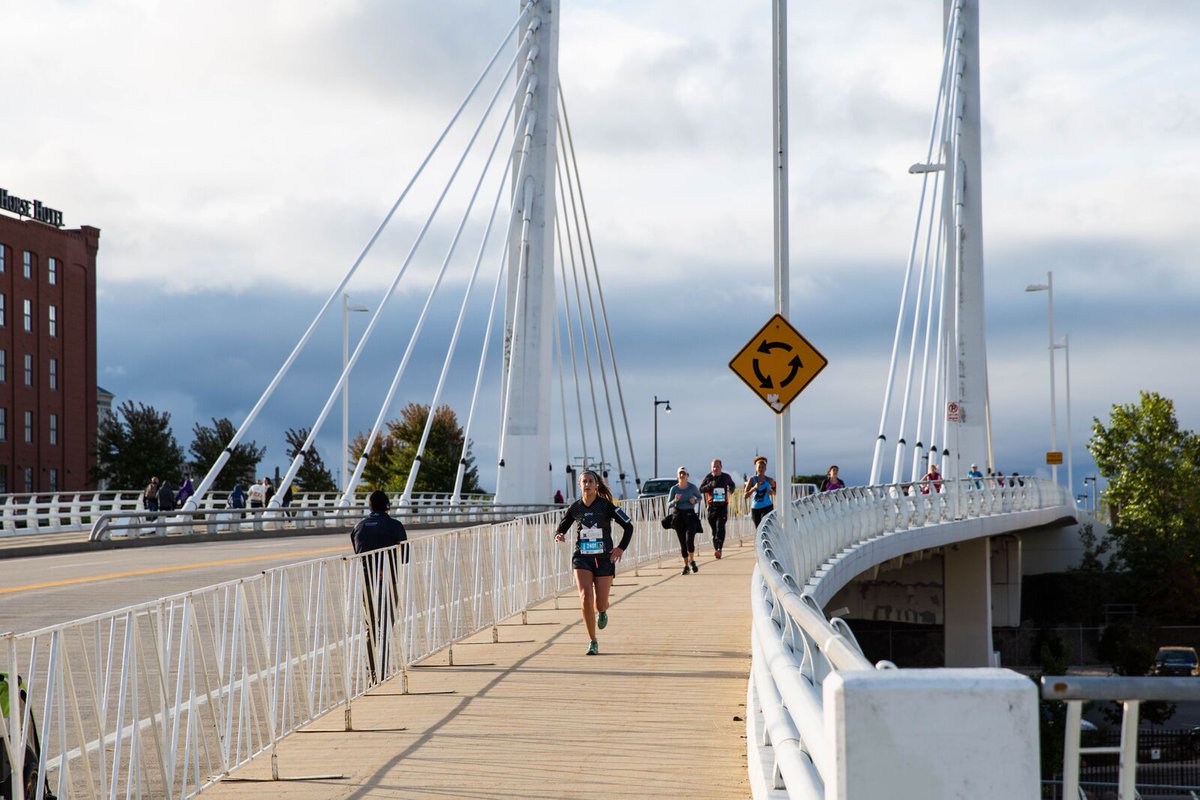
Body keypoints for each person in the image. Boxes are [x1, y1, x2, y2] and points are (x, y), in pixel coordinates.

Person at [554, 470, 633, 656]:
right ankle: (592, 641)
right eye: (584, 481)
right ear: (579, 485)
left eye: (591, 481)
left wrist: (620, 548)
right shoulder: (575, 508)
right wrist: (559, 535)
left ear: (596, 485)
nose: (587, 484)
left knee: (600, 603)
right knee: (585, 597)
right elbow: (562, 527)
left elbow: (628, 525)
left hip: (604, 558)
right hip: (582, 557)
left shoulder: (606, 506)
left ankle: (603, 612)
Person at [351, 490, 409, 683]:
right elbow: (405, 557)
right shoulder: (395, 525)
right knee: (385, 626)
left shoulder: (358, 527)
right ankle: (383, 669)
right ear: (387, 505)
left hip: (367, 583)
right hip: (388, 582)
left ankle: (372, 673)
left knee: (371, 628)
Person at [666, 467, 703, 575]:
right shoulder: (674, 489)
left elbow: (700, 497)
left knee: (689, 540)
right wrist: (675, 500)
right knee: (683, 543)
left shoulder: (692, 487)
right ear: (678, 476)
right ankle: (686, 565)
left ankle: (692, 560)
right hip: (678, 516)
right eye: (680, 474)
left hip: (690, 515)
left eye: (684, 474)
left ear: (687, 475)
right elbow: (668, 504)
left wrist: (694, 500)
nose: (682, 476)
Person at [698, 458, 737, 559]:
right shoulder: (708, 477)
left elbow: (732, 486)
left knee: (720, 527)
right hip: (711, 507)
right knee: (714, 530)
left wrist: (730, 490)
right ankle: (716, 549)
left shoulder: (726, 477)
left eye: (717, 466)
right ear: (711, 468)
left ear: (721, 467)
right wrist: (710, 485)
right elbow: (701, 489)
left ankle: (719, 549)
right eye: (713, 467)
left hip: (722, 506)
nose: (715, 468)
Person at [744, 456, 776, 526]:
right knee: (758, 529)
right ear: (756, 468)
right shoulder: (752, 480)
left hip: (767, 507)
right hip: (755, 508)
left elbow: (777, 492)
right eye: (759, 467)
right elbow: (745, 496)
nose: (761, 469)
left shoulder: (769, 480)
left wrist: (772, 492)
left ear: (765, 468)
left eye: (762, 467)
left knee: (766, 527)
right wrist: (754, 488)